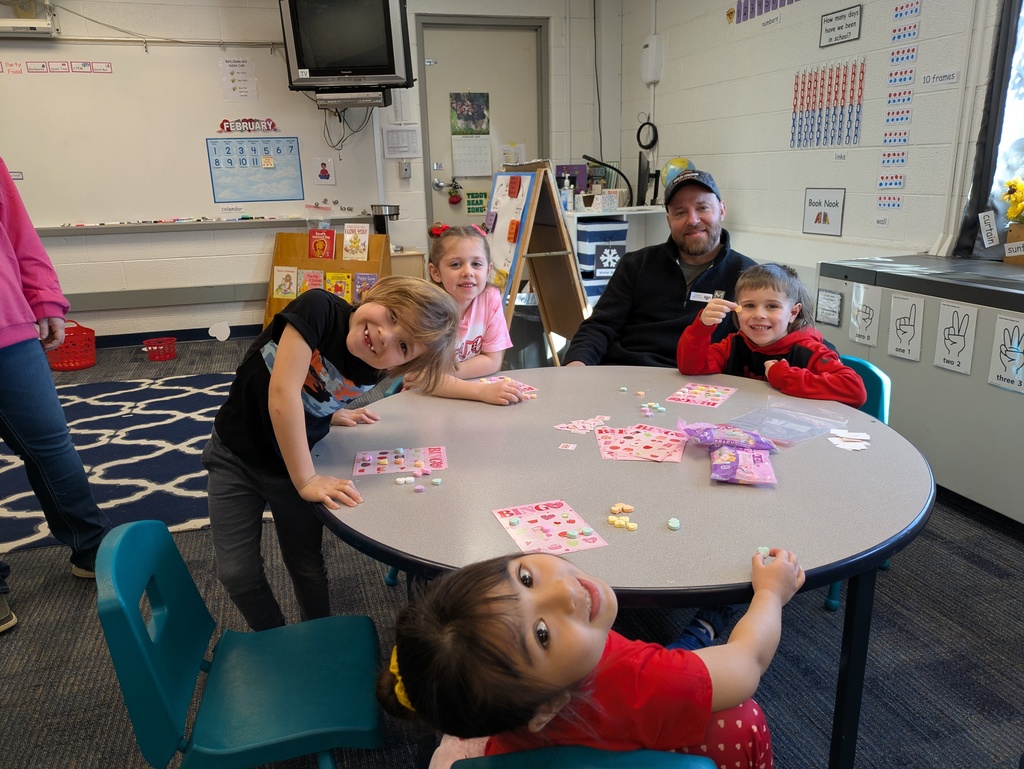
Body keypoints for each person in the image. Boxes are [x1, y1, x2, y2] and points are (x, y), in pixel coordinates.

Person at [378, 549, 804, 769]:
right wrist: (770, 594)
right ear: (546, 708)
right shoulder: (645, 679)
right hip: (649, 725)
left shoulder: (492, 701)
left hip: (540, 748)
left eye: (526, 578)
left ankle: (697, 635)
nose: (565, 591)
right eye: (541, 634)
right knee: (744, 716)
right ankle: (700, 635)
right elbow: (747, 661)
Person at [201, 276, 459, 631]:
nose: (385, 336)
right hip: (236, 455)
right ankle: (273, 636)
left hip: (292, 465)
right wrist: (306, 479)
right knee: (236, 574)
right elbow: (282, 392)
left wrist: (328, 410)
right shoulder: (318, 307)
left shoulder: (376, 366)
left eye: (403, 346)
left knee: (306, 566)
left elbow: (317, 389)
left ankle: (316, 636)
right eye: (394, 315)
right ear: (378, 293)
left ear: (402, 365)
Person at [0, 156, 112, 634]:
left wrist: (44, 297)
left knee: (50, 443)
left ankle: (90, 549)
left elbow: (19, 232)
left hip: (8, 325)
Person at [563, 169, 756, 368]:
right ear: (668, 220)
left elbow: (762, 344)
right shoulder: (636, 264)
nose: (692, 220)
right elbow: (599, 326)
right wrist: (576, 365)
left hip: (697, 384)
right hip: (625, 374)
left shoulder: (748, 277)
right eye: (680, 212)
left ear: (722, 210)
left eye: (703, 208)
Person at [677, 262, 867, 408]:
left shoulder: (809, 350)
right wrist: (701, 326)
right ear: (737, 309)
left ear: (793, 312)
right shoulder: (734, 343)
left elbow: (855, 390)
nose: (759, 314)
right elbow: (691, 367)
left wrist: (784, 377)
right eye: (749, 305)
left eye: (772, 306)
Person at [416, 224, 523, 406]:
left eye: (476, 264)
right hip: (425, 399)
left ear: (488, 270)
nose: (468, 272)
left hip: (468, 392)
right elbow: (423, 378)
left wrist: (444, 373)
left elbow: (492, 360)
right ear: (435, 272)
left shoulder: (490, 298)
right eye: (456, 264)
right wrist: (479, 391)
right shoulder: (426, 307)